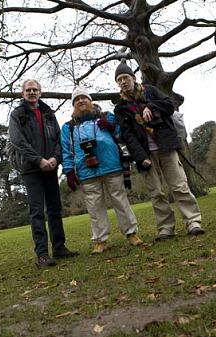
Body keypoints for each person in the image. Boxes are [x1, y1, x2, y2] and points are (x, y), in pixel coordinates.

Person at [113, 61, 206, 241]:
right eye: (119, 80)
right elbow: (127, 135)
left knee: (179, 186)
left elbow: (169, 105)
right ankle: (165, 228)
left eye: (125, 77)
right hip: (145, 154)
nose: (123, 82)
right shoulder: (120, 108)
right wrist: (140, 157)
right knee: (156, 193)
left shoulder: (150, 91)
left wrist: (151, 106)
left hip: (165, 146)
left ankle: (193, 222)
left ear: (133, 78)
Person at [61, 87, 144, 255]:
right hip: (86, 171)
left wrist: (112, 127)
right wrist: (69, 171)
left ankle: (131, 233)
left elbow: (122, 134)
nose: (81, 101)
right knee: (94, 207)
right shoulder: (68, 127)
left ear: (90, 100)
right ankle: (100, 240)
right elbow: (65, 150)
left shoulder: (107, 116)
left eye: (84, 98)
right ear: (73, 105)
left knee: (120, 201)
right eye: (77, 99)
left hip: (111, 165)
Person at [8, 79, 78, 268]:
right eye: (28, 90)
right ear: (22, 93)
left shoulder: (48, 113)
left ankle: (59, 247)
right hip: (31, 169)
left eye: (35, 90)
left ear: (40, 92)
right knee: (37, 212)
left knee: (55, 208)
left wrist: (56, 159)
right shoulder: (17, 115)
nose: (32, 92)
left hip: (51, 167)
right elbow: (17, 141)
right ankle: (42, 254)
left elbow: (57, 139)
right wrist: (39, 160)